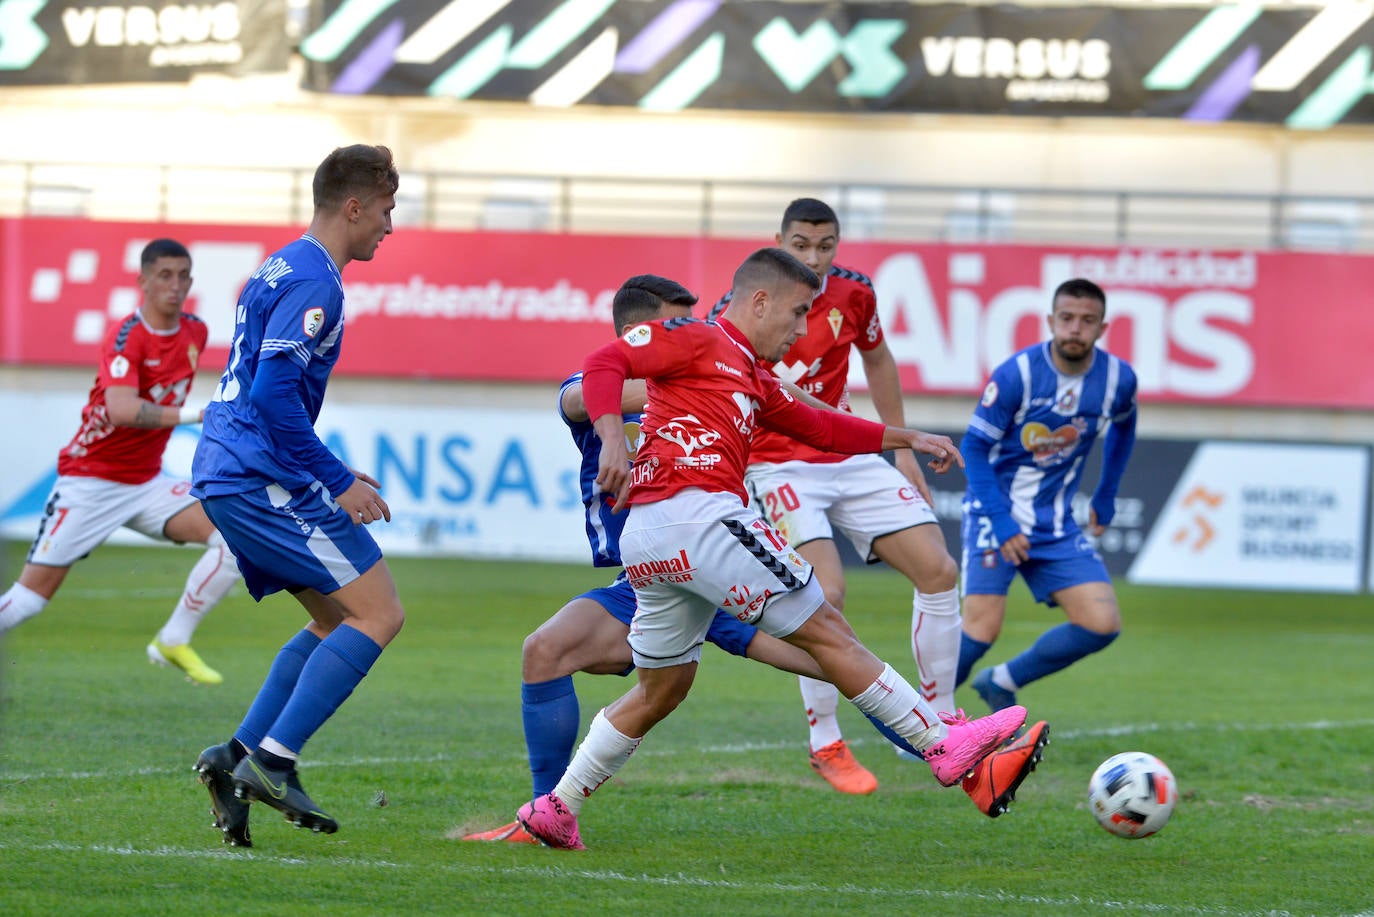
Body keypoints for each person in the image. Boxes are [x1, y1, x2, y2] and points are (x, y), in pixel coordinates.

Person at [514, 247, 1031, 850]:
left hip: (651, 539)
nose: (804, 329)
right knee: (827, 630)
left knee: (663, 688)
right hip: (700, 513)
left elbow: (822, 427)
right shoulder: (698, 338)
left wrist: (903, 437)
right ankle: (942, 745)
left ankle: (556, 807)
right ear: (759, 302)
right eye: (798, 312)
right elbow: (606, 360)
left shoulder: (751, 374)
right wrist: (610, 439)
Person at [464, 274, 857, 845]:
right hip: (653, 572)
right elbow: (575, 397)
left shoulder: (715, 374)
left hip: (703, 551)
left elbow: (795, 407)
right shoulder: (607, 382)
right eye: (677, 323)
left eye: (693, 325)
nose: (691, 334)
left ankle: (931, 728)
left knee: (826, 652)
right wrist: (704, 382)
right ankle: (546, 813)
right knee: (550, 653)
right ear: (636, 332)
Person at [709, 197, 981, 797]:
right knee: (825, 591)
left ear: (838, 244)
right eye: (800, 245)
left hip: (847, 451)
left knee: (939, 569)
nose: (813, 256)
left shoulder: (855, 294)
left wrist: (903, 447)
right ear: (778, 240)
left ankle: (939, 720)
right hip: (776, 461)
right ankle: (826, 741)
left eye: (825, 245)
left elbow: (879, 359)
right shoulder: (740, 306)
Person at [190, 144, 403, 848]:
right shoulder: (317, 280)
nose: (389, 226)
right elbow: (274, 396)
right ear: (353, 206)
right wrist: (336, 480)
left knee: (330, 619)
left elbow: (265, 391)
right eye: (385, 209)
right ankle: (273, 762)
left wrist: (333, 471)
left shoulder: (282, 261)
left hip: (229, 470)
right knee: (378, 614)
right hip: (257, 475)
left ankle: (235, 756)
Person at [0, 238, 237, 686]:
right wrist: (198, 415)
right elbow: (121, 410)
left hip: (146, 484)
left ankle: (172, 639)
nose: (175, 284)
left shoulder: (195, 332)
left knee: (237, 539)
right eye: (164, 275)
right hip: (90, 482)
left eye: (183, 275)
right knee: (29, 600)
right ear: (143, 280)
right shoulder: (125, 336)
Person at [957, 277, 1138, 715]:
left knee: (1101, 623)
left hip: (1053, 524)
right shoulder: (1017, 374)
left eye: (1087, 320)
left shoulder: (1118, 379)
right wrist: (1001, 522)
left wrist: (1106, 494)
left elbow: (1124, 426)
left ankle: (1002, 680)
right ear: (1050, 321)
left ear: (1102, 327)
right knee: (981, 629)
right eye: (1067, 318)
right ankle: (915, 724)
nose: (1076, 328)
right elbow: (973, 448)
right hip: (993, 516)